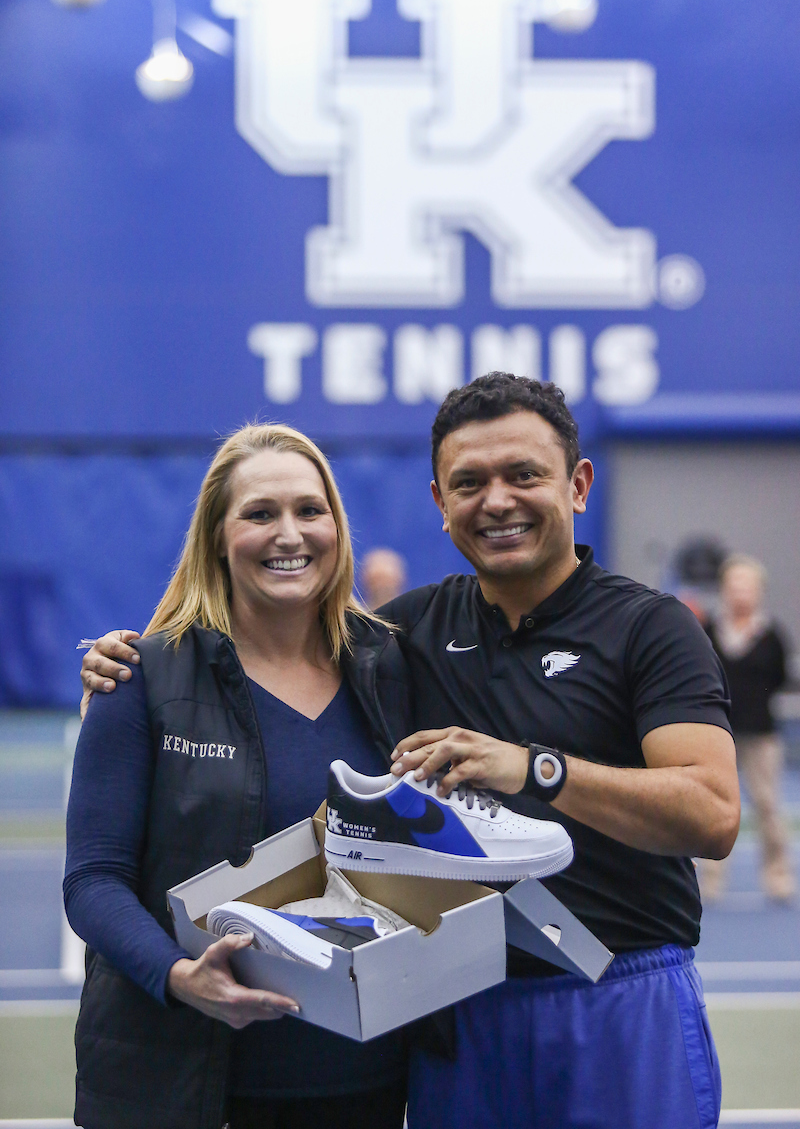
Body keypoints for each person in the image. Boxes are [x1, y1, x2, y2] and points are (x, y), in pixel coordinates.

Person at [82, 375, 740, 1129]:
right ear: (439, 502)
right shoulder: (399, 638)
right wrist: (130, 665)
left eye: (524, 474)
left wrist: (533, 768)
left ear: (578, 485)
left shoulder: (651, 629)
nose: (497, 501)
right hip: (455, 1011)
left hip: (619, 997)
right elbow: (267, 643)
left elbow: (714, 815)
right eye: (470, 483)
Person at [66, 424, 411, 1129]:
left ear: (337, 526)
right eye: (260, 514)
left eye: (310, 511)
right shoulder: (141, 676)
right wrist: (177, 975)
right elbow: (92, 880)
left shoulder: (394, 666)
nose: (290, 534)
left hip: (363, 1081)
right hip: (179, 1085)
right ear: (218, 537)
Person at [704, 555, 795, 901]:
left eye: (748, 586)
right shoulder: (709, 630)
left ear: (758, 591)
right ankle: (710, 881)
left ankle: (778, 878)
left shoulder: (771, 634)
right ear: (724, 589)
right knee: (713, 807)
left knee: (769, 806)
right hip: (717, 733)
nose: (740, 592)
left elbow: (780, 677)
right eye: (734, 585)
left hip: (761, 735)